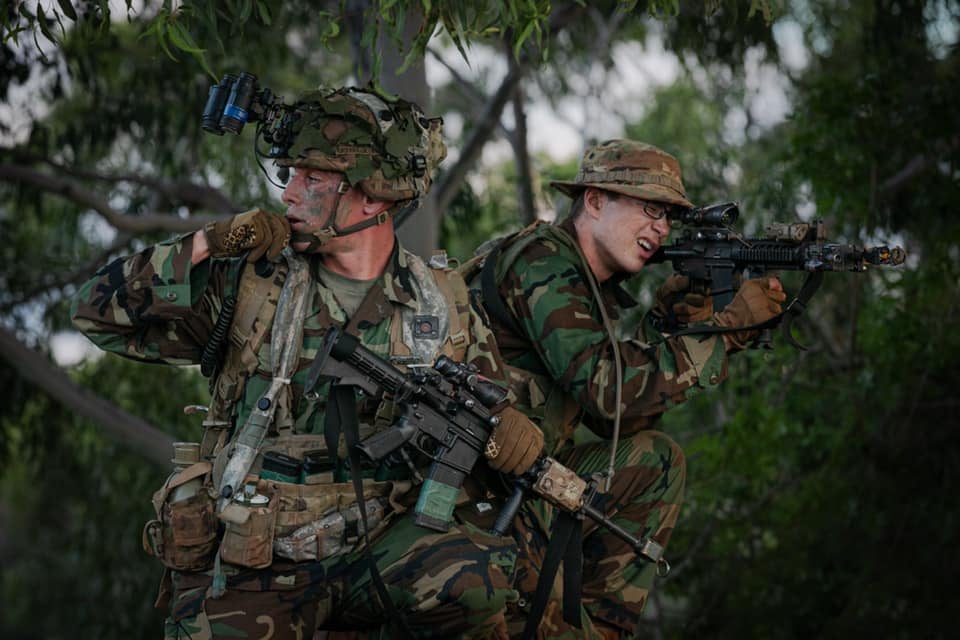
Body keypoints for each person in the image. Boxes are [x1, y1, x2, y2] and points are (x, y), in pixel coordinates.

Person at [71, 86, 542, 640]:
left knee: (481, 580)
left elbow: (485, 405)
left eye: (314, 179)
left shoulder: (440, 298)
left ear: (374, 196)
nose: (290, 193)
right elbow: (95, 313)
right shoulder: (249, 283)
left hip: (385, 544)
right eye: (290, 174)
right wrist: (204, 245)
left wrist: (510, 432)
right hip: (263, 554)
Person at [463, 139, 786, 638]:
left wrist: (667, 325)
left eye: (668, 217)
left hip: (525, 479)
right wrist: (727, 331)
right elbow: (606, 391)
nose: (661, 228)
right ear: (593, 201)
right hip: (477, 489)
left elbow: (620, 422)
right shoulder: (543, 261)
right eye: (650, 209)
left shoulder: (591, 285)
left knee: (655, 460)